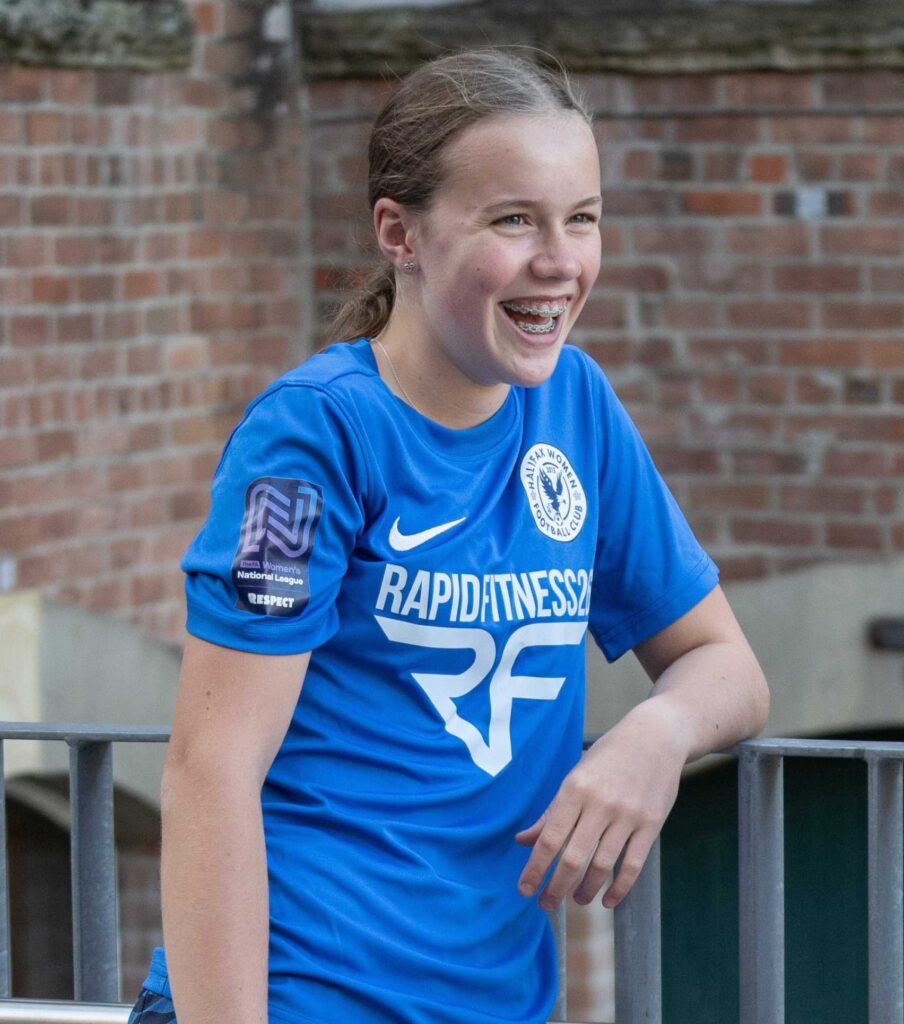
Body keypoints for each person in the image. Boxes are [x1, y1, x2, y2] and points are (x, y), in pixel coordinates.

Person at [128, 48, 769, 1024]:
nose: (559, 260)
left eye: (582, 218)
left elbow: (727, 666)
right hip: (301, 995)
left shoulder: (577, 410)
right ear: (400, 233)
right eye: (513, 218)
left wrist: (658, 731)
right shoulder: (307, 439)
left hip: (497, 1002)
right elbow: (211, 767)